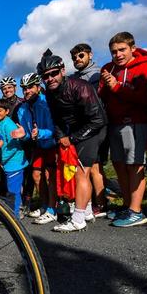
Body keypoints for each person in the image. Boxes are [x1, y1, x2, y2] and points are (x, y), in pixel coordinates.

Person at [37, 49, 107, 232]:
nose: (50, 78)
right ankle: (88, 211)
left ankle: (78, 219)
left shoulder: (80, 86)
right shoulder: (51, 93)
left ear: (62, 71)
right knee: (82, 170)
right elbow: (57, 119)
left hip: (95, 127)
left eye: (53, 74)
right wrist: (61, 137)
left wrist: (73, 138)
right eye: (45, 76)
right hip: (77, 129)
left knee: (81, 172)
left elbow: (98, 119)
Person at [98, 32, 147, 227]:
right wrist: (106, 84)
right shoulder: (108, 68)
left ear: (133, 48)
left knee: (134, 164)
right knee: (120, 164)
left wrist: (117, 86)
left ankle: (137, 211)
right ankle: (127, 205)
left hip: (135, 121)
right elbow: (102, 96)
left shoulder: (145, 66)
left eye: (122, 50)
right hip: (115, 123)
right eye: (114, 52)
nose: (118, 55)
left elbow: (145, 98)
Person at [11, 73, 57, 224]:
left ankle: (52, 209)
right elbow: (27, 133)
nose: (27, 91)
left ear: (38, 87)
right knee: (36, 176)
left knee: (49, 176)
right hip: (37, 145)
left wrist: (40, 133)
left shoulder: (47, 103)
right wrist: (23, 135)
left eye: (30, 87)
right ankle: (44, 205)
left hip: (52, 144)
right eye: (24, 88)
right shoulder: (22, 109)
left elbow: (55, 128)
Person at [69, 43, 108, 216]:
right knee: (92, 166)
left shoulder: (97, 74)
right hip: (83, 125)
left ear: (90, 55)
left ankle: (99, 205)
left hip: (97, 124)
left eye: (81, 55)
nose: (77, 59)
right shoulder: (75, 77)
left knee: (91, 167)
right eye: (74, 58)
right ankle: (95, 203)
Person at [0, 98, 28, 219]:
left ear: (7, 111)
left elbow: (13, 147)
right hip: (8, 163)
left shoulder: (8, 125)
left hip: (15, 162)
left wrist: (1, 160)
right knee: (11, 189)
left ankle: (15, 216)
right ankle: (13, 213)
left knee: (13, 190)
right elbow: (0, 144)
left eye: (0, 110)